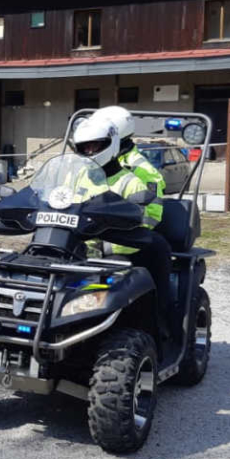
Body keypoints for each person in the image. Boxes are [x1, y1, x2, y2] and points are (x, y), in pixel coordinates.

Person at [72, 108, 175, 337]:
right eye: (85, 145)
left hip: (120, 242)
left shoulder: (139, 171)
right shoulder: (79, 171)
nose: (89, 150)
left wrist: (105, 242)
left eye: (96, 144)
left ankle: (158, 324)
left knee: (156, 250)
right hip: (81, 238)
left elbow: (149, 216)